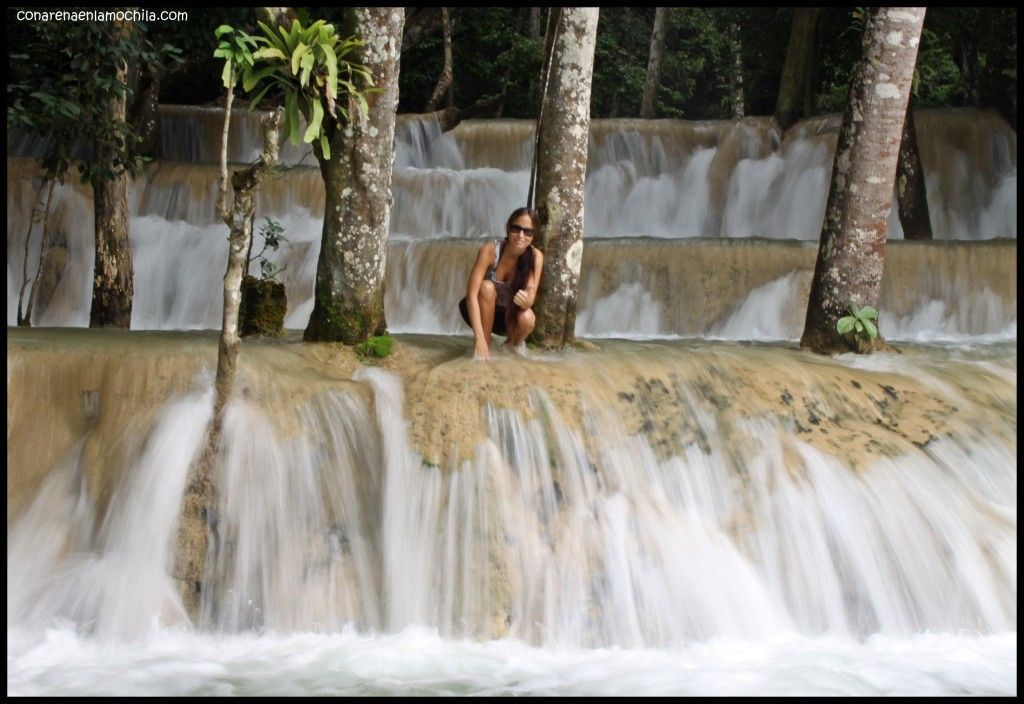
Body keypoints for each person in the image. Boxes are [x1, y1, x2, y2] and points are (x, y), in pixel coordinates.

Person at [459, 207, 545, 360]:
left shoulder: (535, 257)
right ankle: (484, 347)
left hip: (508, 318)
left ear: (534, 236)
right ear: (508, 229)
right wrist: (479, 339)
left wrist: (525, 301)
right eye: (516, 229)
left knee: (528, 318)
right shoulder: (490, 251)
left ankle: (508, 349)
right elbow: (471, 296)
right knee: (486, 287)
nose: (520, 235)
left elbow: (530, 301)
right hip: (480, 309)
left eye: (527, 231)